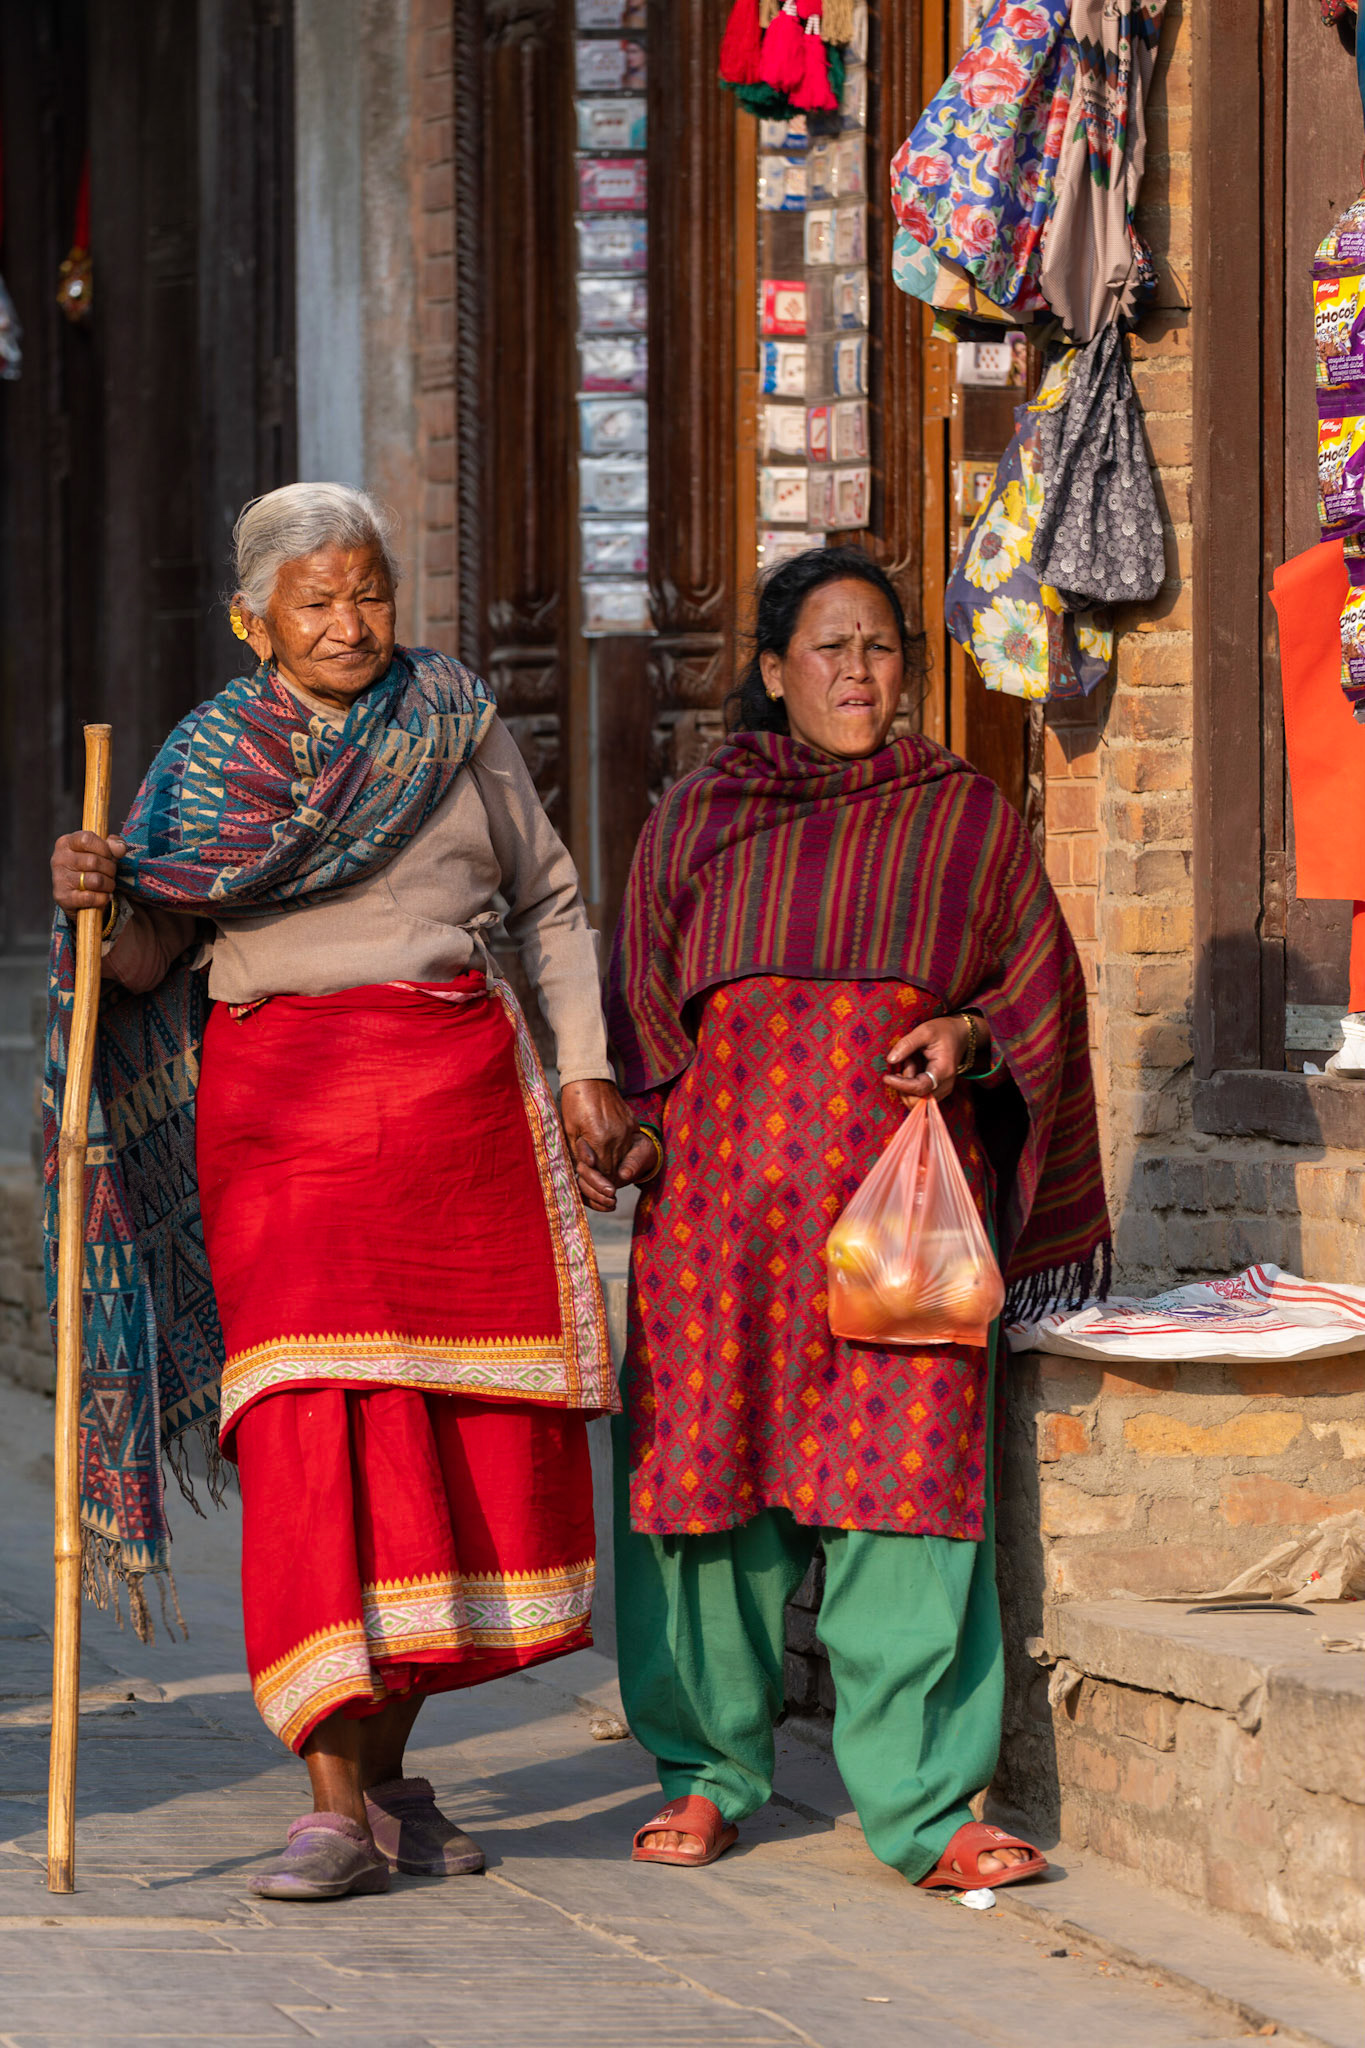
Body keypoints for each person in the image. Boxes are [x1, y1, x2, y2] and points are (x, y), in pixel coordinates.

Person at [47, 482, 654, 1901]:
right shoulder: (208, 759)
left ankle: (385, 1777)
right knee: (313, 1432)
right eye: (313, 601)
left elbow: (552, 905)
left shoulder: (452, 720)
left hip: (457, 1112)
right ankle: (329, 1799)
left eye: (367, 589)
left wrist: (584, 1070)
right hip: (286, 1128)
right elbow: (145, 959)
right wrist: (98, 896)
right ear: (254, 622)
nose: (347, 621)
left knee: (455, 1438)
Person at [604, 547, 1110, 1889]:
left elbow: (1035, 992)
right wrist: (644, 1124)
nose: (855, 673)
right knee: (703, 1498)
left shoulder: (961, 818)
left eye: (879, 647)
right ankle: (707, 1772)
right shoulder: (703, 811)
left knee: (906, 1499)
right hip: (718, 1226)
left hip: (899, 1224)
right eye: (825, 649)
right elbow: (641, 997)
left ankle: (929, 1808)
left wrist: (968, 1034)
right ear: (772, 674)